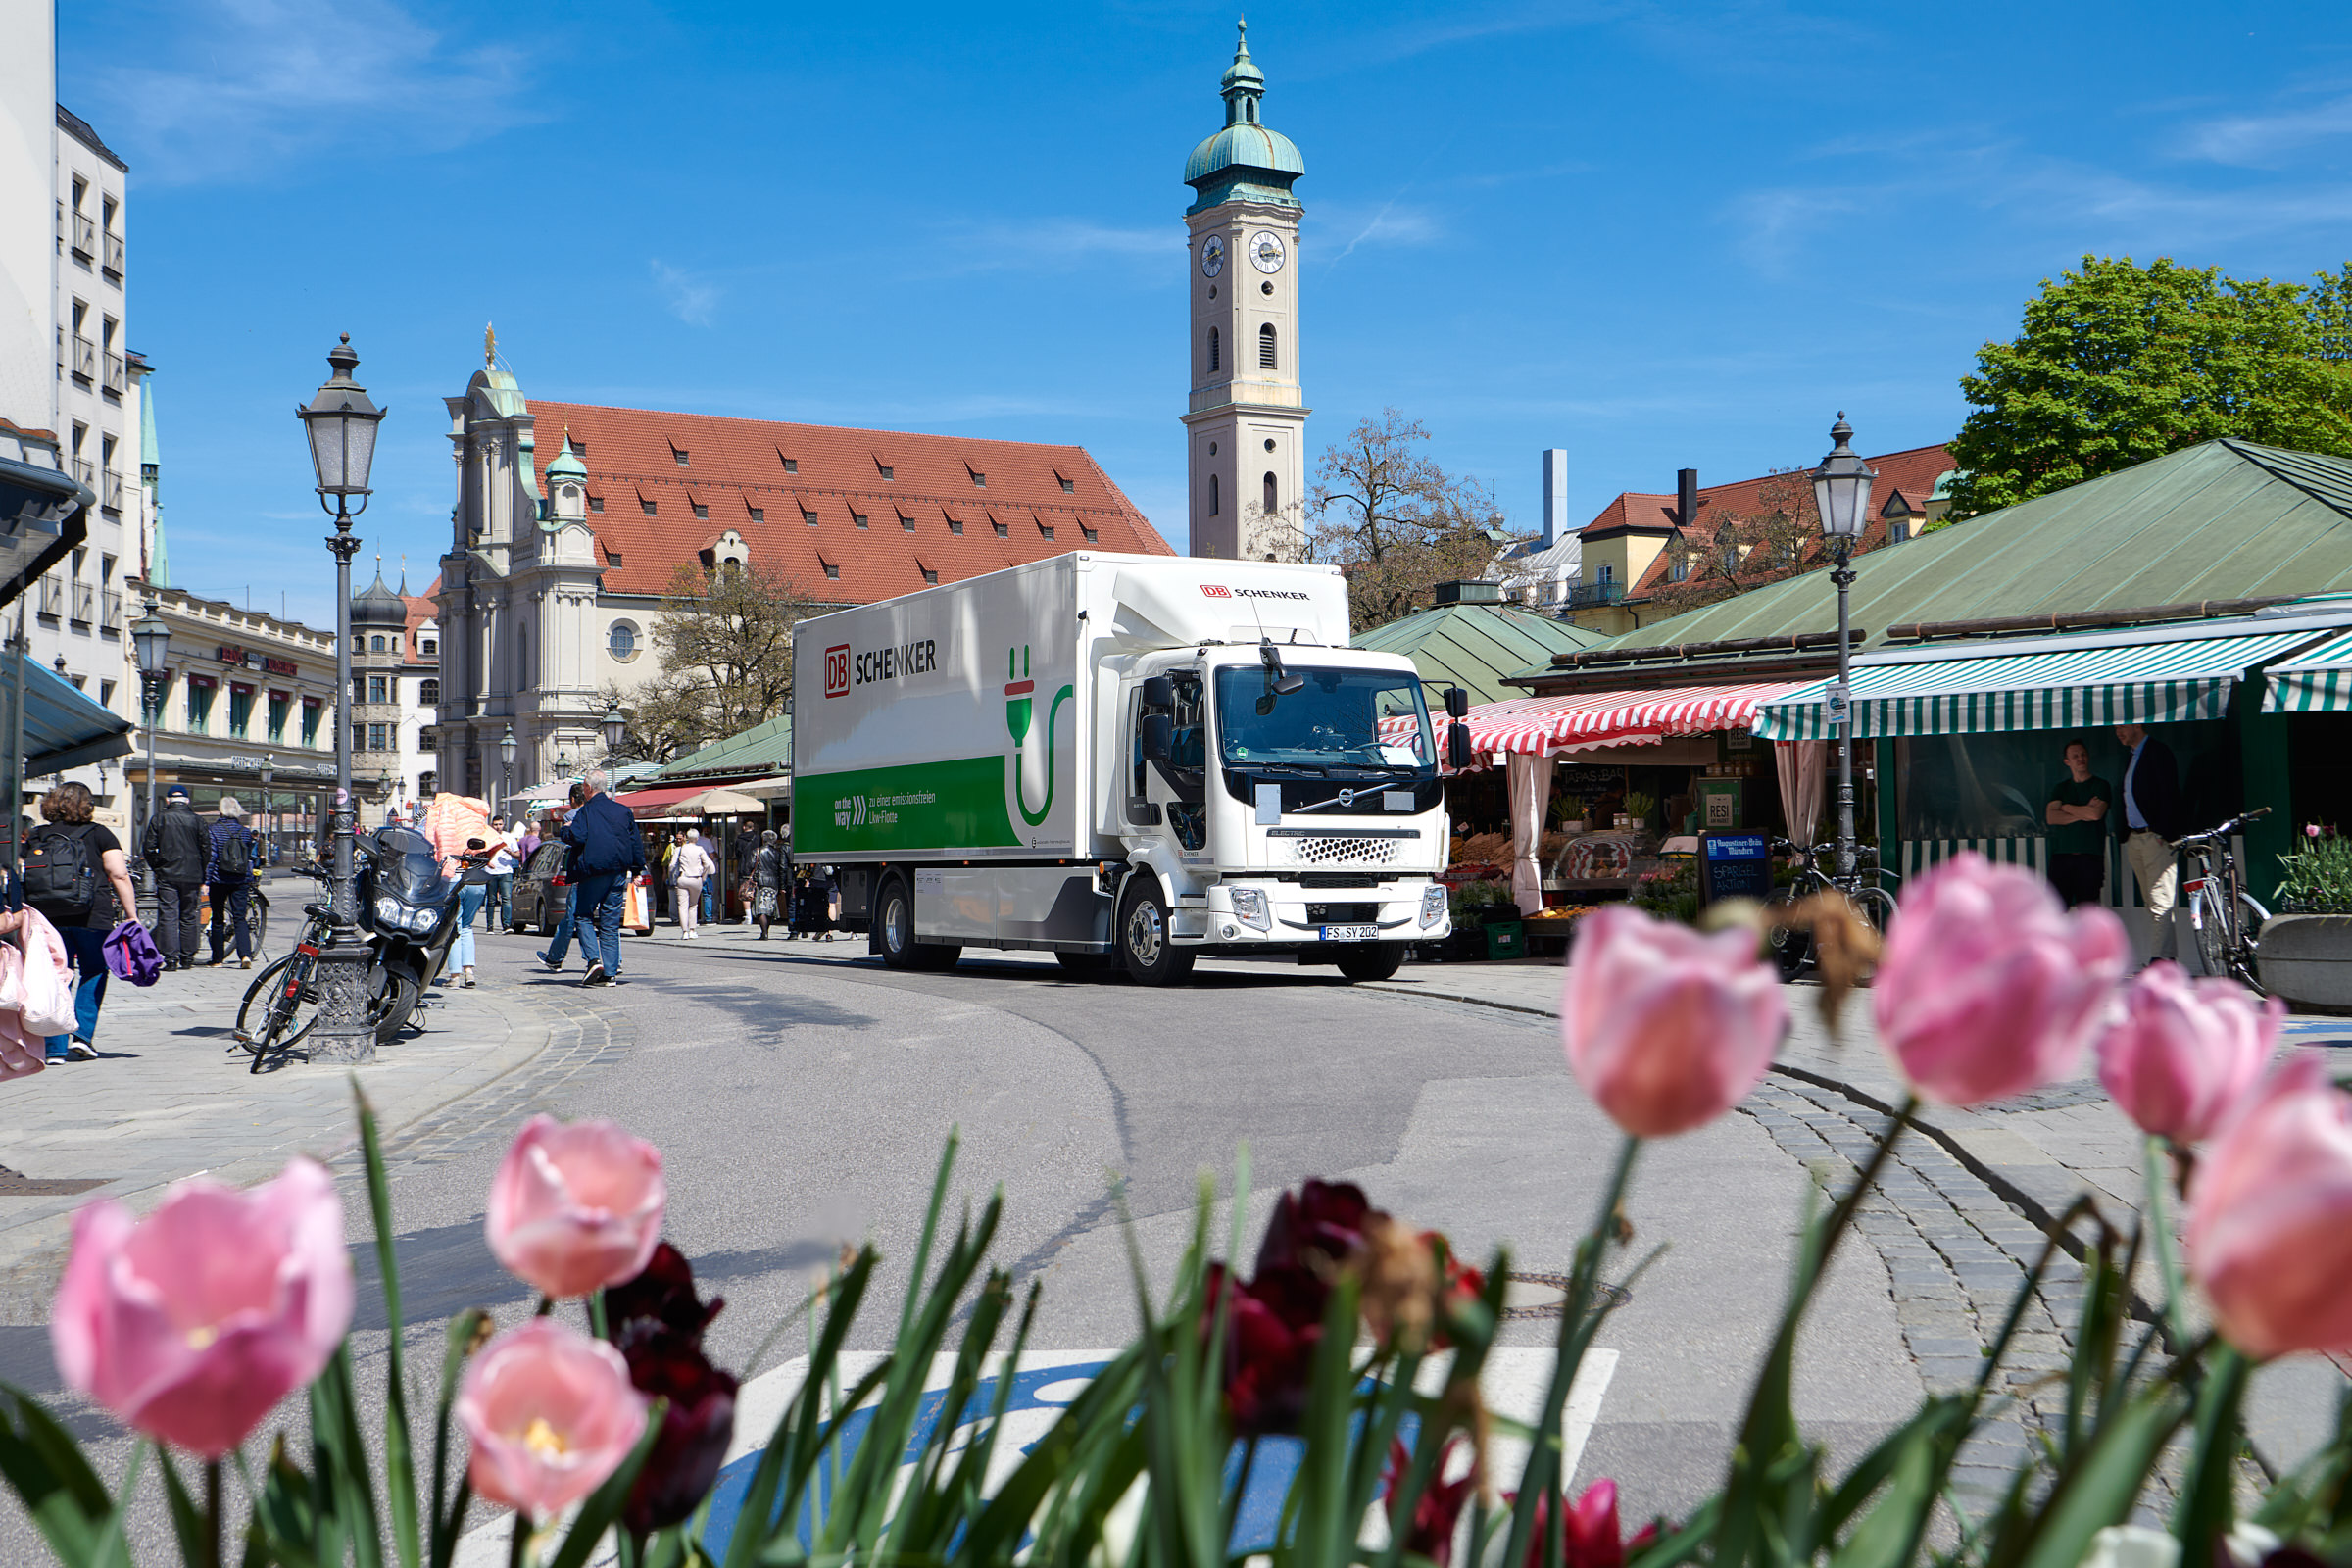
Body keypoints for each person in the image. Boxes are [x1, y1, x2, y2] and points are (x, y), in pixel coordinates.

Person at [24, 782, 141, 1062]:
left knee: (55, 978)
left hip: (47, 917)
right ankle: (83, 1038)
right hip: (92, 915)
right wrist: (132, 914)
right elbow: (119, 874)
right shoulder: (100, 834)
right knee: (94, 970)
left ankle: (53, 1048)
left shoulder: (38, 836)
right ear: (87, 805)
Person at [560, 769, 645, 986]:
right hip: (618, 871)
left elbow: (577, 836)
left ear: (587, 788)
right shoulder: (623, 811)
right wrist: (637, 870)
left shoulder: (586, 811)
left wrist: (565, 831)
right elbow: (635, 841)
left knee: (583, 915)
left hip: (593, 870)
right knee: (610, 921)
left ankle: (593, 960)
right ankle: (610, 972)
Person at [2114, 722, 2190, 961]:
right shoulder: (2132, 755)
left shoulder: (2157, 751)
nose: (2118, 733)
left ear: (2137, 725)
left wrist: (2163, 833)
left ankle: (2161, 960)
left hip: (2155, 837)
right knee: (2152, 902)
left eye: (2122, 727)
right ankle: (2165, 959)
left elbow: (2169, 794)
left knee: (2160, 900)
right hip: (2136, 837)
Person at [140, 785, 209, 972]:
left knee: (168, 915)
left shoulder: (160, 819)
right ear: (187, 801)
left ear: (168, 801)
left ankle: (171, 958)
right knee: (189, 915)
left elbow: (148, 848)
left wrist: (158, 866)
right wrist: (201, 872)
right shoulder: (197, 820)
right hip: (192, 874)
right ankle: (188, 957)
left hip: (168, 874)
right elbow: (206, 850)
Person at [2044, 739, 2113, 909]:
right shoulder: (2060, 788)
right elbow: (2052, 818)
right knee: (2056, 909)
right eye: (2075, 756)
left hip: (2090, 856)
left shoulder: (2100, 785)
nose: (2080, 758)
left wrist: (2066, 807)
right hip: (2061, 855)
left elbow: (2095, 814)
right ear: (2067, 761)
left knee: (2088, 910)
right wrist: (2083, 812)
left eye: (2083, 754)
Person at [206, 797, 264, 969]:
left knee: (217, 918)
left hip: (219, 878)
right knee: (240, 917)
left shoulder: (213, 830)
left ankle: (217, 959)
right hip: (240, 878)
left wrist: (206, 880)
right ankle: (245, 955)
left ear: (220, 811)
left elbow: (212, 857)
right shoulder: (245, 832)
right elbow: (249, 857)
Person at [539, 789, 587, 972]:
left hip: (579, 872)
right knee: (604, 920)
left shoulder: (571, 816)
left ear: (573, 799)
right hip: (600, 871)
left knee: (572, 917)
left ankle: (556, 957)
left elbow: (570, 843)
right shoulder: (595, 813)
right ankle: (613, 960)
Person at [453, 837, 489, 988]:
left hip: (455, 878)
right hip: (477, 880)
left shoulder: (445, 821)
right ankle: (469, 972)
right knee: (466, 926)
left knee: (454, 927)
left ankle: (454, 976)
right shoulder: (477, 822)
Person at [670, 827, 715, 939]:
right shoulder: (699, 849)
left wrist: (673, 877)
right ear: (696, 838)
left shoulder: (679, 849)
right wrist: (703, 876)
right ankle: (692, 930)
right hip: (696, 879)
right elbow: (708, 864)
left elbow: (672, 865)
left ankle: (684, 932)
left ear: (686, 837)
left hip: (683, 878)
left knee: (682, 906)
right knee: (693, 905)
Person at [483, 814, 516, 932]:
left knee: (506, 898)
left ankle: (506, 925)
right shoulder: (487, 837)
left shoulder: (509, 837)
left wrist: (511, 853)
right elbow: (481, 853)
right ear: (492, 825)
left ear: (503, 825)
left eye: (500, 824)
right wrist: (487, 863)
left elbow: (518, 854)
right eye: (496, 824)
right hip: (491, 872)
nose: (498, 827)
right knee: (491, 900)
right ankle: (490, 926)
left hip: (505, 871)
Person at [753, 829, 784, 940]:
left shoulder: (757, 851)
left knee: (761, 908)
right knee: (770, 907)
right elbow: (781, 868)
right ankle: (766, 931)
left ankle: (764, 932)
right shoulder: (777, 853)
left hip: (761, 882)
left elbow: (751, 865)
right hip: (774, 882)